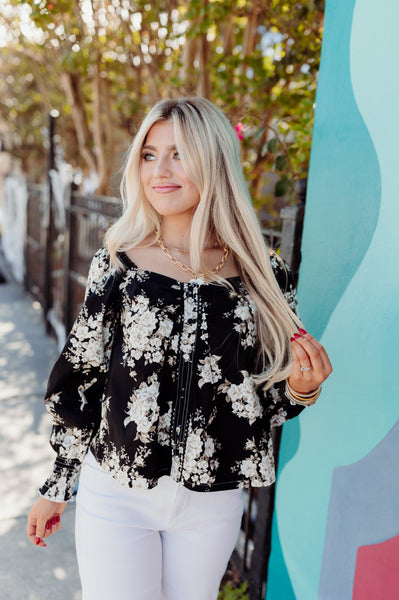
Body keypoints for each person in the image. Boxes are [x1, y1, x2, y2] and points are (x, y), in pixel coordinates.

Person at [27, 97, 332, 600]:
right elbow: (82, 376)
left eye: (179, 154)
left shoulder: (263, 274)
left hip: (212, 502)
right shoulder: (120, 263)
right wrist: (59, 481)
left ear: (213, 161)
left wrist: (300, 389)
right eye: (149, 154)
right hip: (118, 493)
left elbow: (263, 399)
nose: (160, 170)